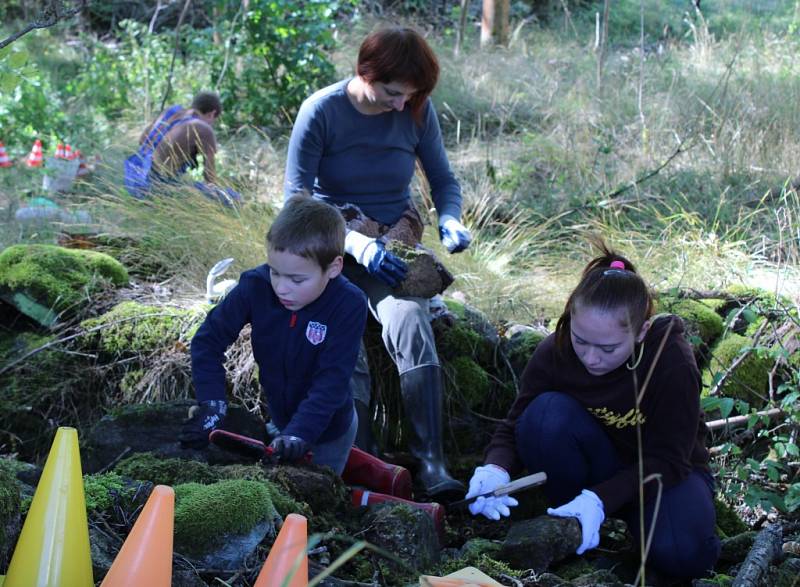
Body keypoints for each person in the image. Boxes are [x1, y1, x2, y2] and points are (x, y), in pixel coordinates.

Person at [284, 26, 472, 499]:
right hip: (333, 249)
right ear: (365, 72)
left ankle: (431, 463)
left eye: (408, 95)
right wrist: (352, 243)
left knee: (410, 320)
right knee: (344, 336)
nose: (398, 104)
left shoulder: (414, 111)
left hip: (394, 247)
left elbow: (444, 180)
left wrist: (450, 219)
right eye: (392, 92)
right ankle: (362, 461)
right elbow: (295, 203)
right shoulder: (321, 111)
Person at [466, 243, 721, 580]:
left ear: (642, 331)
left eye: (608, 348)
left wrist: (601, 499)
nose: (590, 358)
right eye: (581, 340)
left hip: (663, 477)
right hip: (596, 466)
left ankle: (622, 527)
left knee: (686, 557)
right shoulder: (555, 351)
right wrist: (494, 468)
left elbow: (671, 459)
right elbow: (517, 423)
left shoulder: (669, 360)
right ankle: (573, 526)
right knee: (545, 416)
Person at [180, 195, 368, 475]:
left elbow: (332, 380)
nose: (281, 288)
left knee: (312, 501)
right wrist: (212, 403)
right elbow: (208, 341)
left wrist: (300, 434)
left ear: (333, 268)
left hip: (330, 430)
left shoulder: (348, 304)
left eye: (297, 280)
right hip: (280, 415)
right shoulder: (255, 285)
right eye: (275, 272)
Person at [132, 91, 239, 204]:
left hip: (135, 176)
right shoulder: (204, 129)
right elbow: (210, 179)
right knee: (233, 198)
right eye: (214, 120)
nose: (212, 124)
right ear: (212, 113)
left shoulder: (171, 111)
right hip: (157, 186)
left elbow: (142, 140)